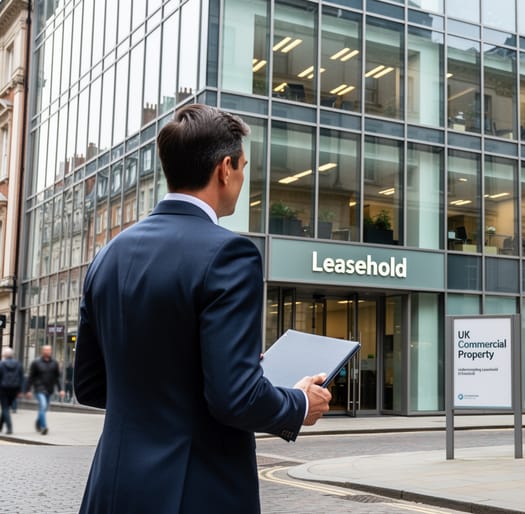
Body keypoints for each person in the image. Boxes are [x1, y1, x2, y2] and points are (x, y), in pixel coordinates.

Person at [75, 104, 332, 514]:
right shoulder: (230, 253)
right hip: (194, 491)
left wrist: (205, 367)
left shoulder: (108, 255)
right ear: (224, 168)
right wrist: (298, 404)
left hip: (111, 488)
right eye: (243, 166)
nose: (243, 178)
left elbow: (90, 386)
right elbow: (235, 399)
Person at [26, 344, 64, 434]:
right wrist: (28, 390)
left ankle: (38, 423)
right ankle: (44, 427)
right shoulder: (36, 363)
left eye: (49, 350)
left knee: (44, 408)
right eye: (46, 350)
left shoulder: (54, 363)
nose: (47, 352)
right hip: (39, 389)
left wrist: (60, 389)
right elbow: (31, 377)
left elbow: (57, 378)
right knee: (42, 406)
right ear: (42, 351)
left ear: (51, 351)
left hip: (49, 389)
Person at [0, 347, 24, 434]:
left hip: (3, 389)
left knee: (5, 408)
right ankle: (1, 425)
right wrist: (20, 390)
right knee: (6, 408)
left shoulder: (1, 364)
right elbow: (21, 378)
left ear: (4, 355)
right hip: (14, 389)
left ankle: (9, 428)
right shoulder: (18, 364)